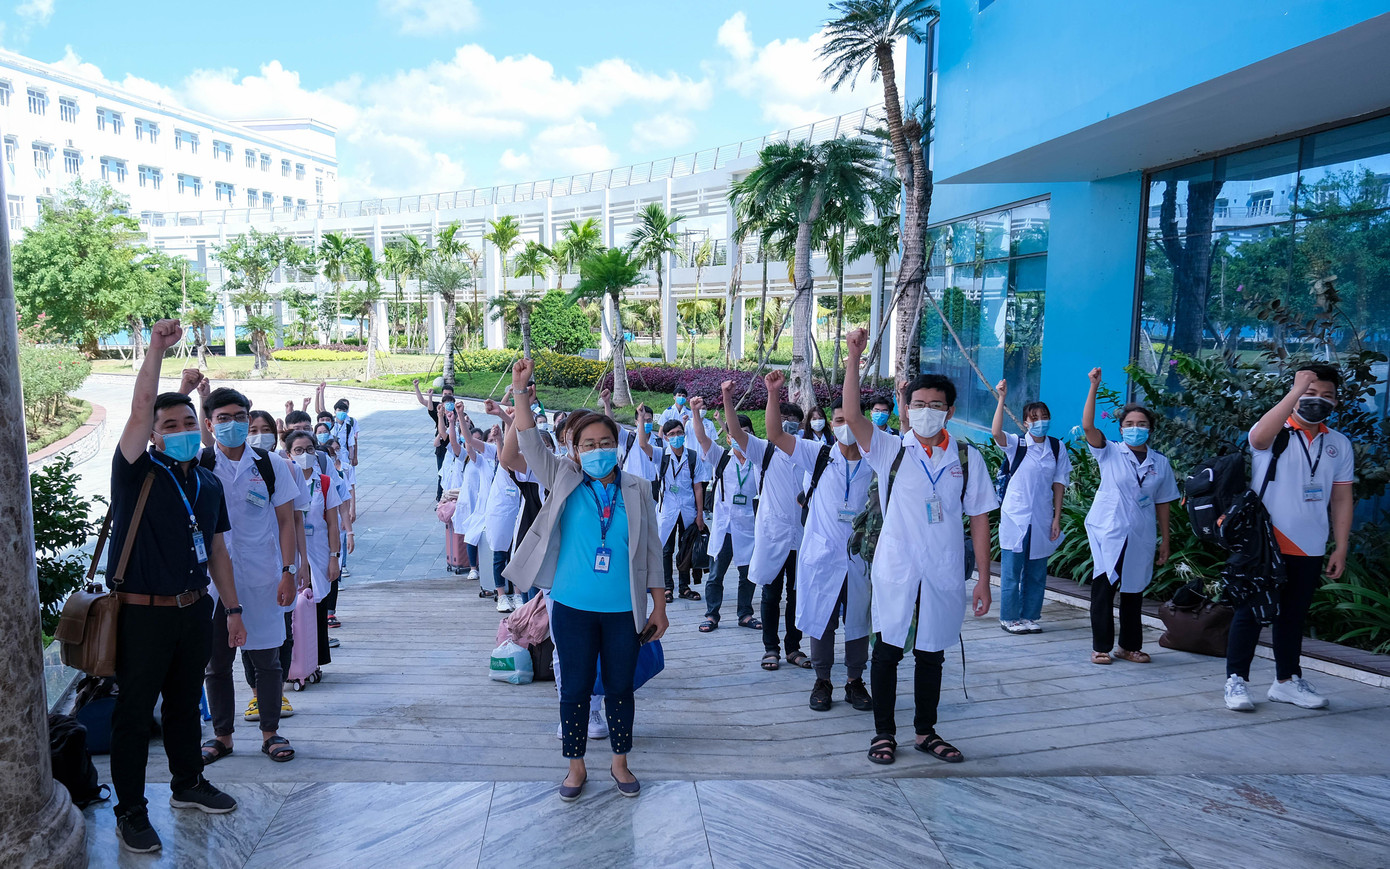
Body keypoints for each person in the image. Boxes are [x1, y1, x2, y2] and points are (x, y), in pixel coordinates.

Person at [502, 359, 668, 802]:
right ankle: (575, 767)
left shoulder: (637, 489)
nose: (598, 450)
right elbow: (528, 440)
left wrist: (659, 607)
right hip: (572, 607)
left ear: (618, 445)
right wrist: (520, 390)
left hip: (623, 610)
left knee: (620, 688)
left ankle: (620, 762)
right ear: (575, 450)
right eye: (589, 444)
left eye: (606, 442)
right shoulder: (563, 476)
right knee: (573, 688)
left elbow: (652, 552)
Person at [108, 319, 244, 855]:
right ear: (154, 434)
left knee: (186, 704)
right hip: (142, 613)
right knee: (135, 713)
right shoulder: (136, 471)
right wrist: (156, 352)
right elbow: (141, 406)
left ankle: (188, 783)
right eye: (170, 424)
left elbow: (217, 550)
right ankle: (130, 811)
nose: (182, 429)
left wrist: (232, 609)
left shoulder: (207, 481)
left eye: (190, 421)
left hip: (194, 610)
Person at [842, 328, 997, 766]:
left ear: (950, 411)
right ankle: (883, 733)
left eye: (936, 405)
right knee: (888, 649)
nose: (928, 411)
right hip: (897, 568)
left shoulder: (966, 458)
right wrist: (854, 358)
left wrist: (983, 579)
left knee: (932, 652)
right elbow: (852, 415)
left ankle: (926, 732)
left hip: (943, 570)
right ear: (906, 409)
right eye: (919, 404)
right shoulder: (890, 449)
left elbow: (980, 519)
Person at [1224, 365, 1354, 712]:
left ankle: (1286, 681)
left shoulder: (1338, 444)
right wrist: (1297, 390)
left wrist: (1340, 546)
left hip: (1310, 542)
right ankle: (1236, 680)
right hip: (1264, 542)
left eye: (1326, 395)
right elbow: (1257, 440)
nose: (1317, 400)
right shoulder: (1276, 432)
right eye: (1310, 393)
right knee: (1251, 611)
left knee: (1293, 615)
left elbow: (1341, 497)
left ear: (1336, 401)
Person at [195, 386, 301, 767]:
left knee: (267, 660)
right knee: (216, 663)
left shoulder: (271, 465)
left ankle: (271, 733)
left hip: (262, 578)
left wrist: (289, 571)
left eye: (240, 417)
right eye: (223, 418)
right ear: (210, 424)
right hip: (212, 583)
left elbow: (286, 521)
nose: (234, 425)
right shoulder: (200, 464)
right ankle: (222, 736)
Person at [762, 378, 874, 714]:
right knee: (821, 619)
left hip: (860, 559)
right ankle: (822, 680)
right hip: (823, 556)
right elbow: (775, 435)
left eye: (850, 419)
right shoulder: (818, 455)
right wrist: (773, 394)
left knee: (858, 620)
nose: (844, 425)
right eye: (839, 420)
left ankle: (855, 680)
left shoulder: (875, 460)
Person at [1081, 368, 1179, 666]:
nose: (1136, 428)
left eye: (1142, 424)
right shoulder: (1109, 452)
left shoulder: (1160, 463)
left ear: (1150, 429)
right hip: (1108, 531)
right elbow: (1088, 426)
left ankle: (1129, 646)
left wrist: (1165, 539)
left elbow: (1163, 502)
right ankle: (1101, 647)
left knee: (1134, 589)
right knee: (1103, 588)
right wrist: (1094, 386)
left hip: (1141, 533)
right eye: (1130, 424)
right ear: (1121, 428)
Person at [723, 389, 810, 671]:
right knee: (771, 594)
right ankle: (770, 648)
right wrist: (727, 397)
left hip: (802, 536)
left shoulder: (808, 451)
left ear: (800, 425)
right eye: (782, 418)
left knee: (796, 595)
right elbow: (736, 432)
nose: (787, 424)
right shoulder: (764, 450)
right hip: (773, 535)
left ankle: (793, 647)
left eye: (793, 420)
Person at [991, 380, 1071, 634]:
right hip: (1016, 517)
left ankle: (1029, 616)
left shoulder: (1056, 447)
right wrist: (1001, 398)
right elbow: (996, 432)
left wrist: (1056, 518)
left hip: (1042, 517)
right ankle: (1009, 617)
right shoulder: (1017, 444)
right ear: (1025, 422)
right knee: (1012, 571)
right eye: (1034, 418)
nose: (1040, 421)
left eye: (1044, 417)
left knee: (1036, 571)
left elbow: (1059, 483)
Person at [686, 395, 761, 633]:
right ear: (728, 437)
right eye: (735, 434)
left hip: (748, 527)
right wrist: (695, 413)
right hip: (724, 526)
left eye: (745, 433)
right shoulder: (721, 458)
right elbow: (701, 438)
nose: (740, 438)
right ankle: (712, 614)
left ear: (752, 435)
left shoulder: (759, 461)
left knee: (747, 574)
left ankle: (745, 614)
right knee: (715, 574)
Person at [629, 418, 708, 603]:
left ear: (684, 434)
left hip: (688, 508)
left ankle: (684, 587)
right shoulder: (661, 455)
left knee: (686, 548)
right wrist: (641, 419)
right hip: (668, 508)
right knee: (666, 549)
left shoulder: (693, 456)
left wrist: (699, 513)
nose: (676, 437)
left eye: (679, 433)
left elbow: (698, 487)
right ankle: (667, 587)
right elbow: (643, 444)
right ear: (665, 438)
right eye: (671, 434)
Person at [285, 430, 343, 680]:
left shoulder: (325, 483)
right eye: (298, 450)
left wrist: (334, 556)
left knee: (315, 605)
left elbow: (333, 524)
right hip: (290, 552)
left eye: (309, 449)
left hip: (318, 551)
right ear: (288, 454)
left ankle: (314, 661)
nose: (305, 455)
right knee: (290, 608)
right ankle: (289, 663)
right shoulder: (283, 481)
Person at [415, 378, 456, 501]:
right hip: (442, 445)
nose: (447, 397)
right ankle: (440, 498)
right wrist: (419, 389)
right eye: (445, 394)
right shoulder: (438, 409)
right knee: (442, 473)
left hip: (454, 445)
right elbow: (424, 403)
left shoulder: (457, 411)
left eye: (450, 395)